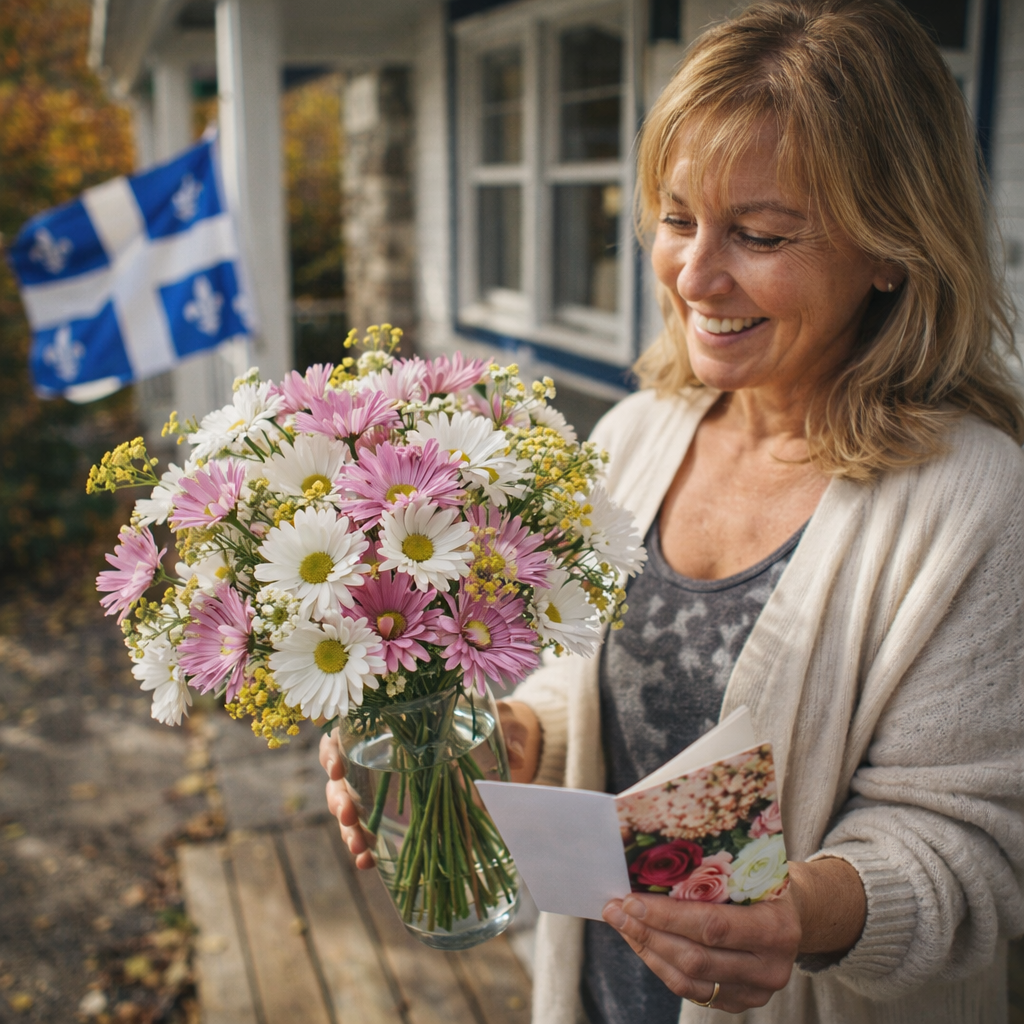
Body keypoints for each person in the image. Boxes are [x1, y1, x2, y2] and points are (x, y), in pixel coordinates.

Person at [322, 1, 1024, 1020]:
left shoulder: (976, 498)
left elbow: (973, 847)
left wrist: (799, 915)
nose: (694, 273)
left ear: (891, 250)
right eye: (678, 217)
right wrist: (512, 739)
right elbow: (591, 698)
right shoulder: (633, 436)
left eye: (760, 233)